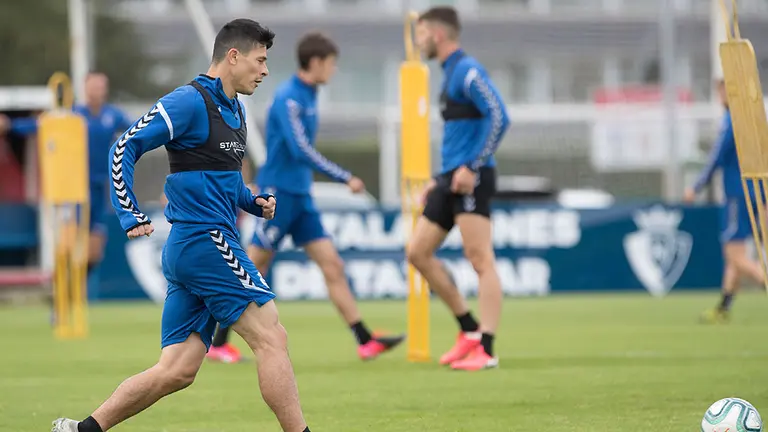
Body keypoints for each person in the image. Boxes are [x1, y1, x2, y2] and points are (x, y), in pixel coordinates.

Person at [52, 19, 313, 432]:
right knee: (271, 336)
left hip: (194, 248)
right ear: (233, 56)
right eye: (260, 60)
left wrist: (252, 201)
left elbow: (225, 179)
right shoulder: (189, 101)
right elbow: (124, 146)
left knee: (177, 369)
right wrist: (128, 211)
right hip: (206, 241)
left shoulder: (235, 109)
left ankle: (80, 430)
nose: (265, 70)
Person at [206, 31, 405, 364]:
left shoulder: (310, 95)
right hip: (279, 196)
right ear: (315, 62)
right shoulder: (290, 99)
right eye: (331, 64)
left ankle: (364, 339)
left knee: (332, 265)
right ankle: (217, 342)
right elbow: (300, 150)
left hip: (301, 197)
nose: (334, 70)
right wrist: (345, 177)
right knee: (251, 267)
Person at [406, 6, 510, 371]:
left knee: (480, 259)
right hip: (450, 179)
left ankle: (487, 348)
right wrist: (439, 180)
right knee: (418, 252)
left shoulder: (467, 70)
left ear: (437, 35)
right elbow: (460, 137)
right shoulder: (449, 73)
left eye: (421, 34)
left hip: (472, 179)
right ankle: (468, 329)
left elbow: (500, 115)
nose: (418, 42)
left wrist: (473, 166)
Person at [1, 72, 132, 278]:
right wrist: (10, 125)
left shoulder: (112, 115)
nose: (97, 91)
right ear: (85, 88)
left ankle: (77, 282)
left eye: (101, 87)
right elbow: (41, 125)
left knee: (95, 249)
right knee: (70, 240)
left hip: (100, 187)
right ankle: (62, 282)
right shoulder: (73, 114)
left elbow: (137, 129)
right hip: (76, 186)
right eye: (93, 86)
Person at [684, 79, 765, 324]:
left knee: (735, 255)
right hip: (758, 191)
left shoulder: (732, 120)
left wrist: (696, 187)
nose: (720, 96)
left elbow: (716, 157)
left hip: (737, 194)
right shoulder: (753, 120)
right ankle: (724, 307)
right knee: (735, 257)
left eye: (723, 91)